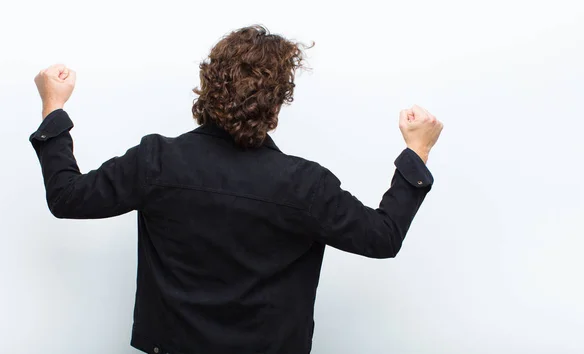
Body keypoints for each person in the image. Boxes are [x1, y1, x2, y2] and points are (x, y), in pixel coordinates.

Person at [30, 25, 443, 354]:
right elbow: (382, 236)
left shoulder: (157, 161)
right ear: (277, 101)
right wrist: (416, 152)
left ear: (208, 85)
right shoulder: (305, 185)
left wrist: (54, 108)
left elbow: (67, 196)